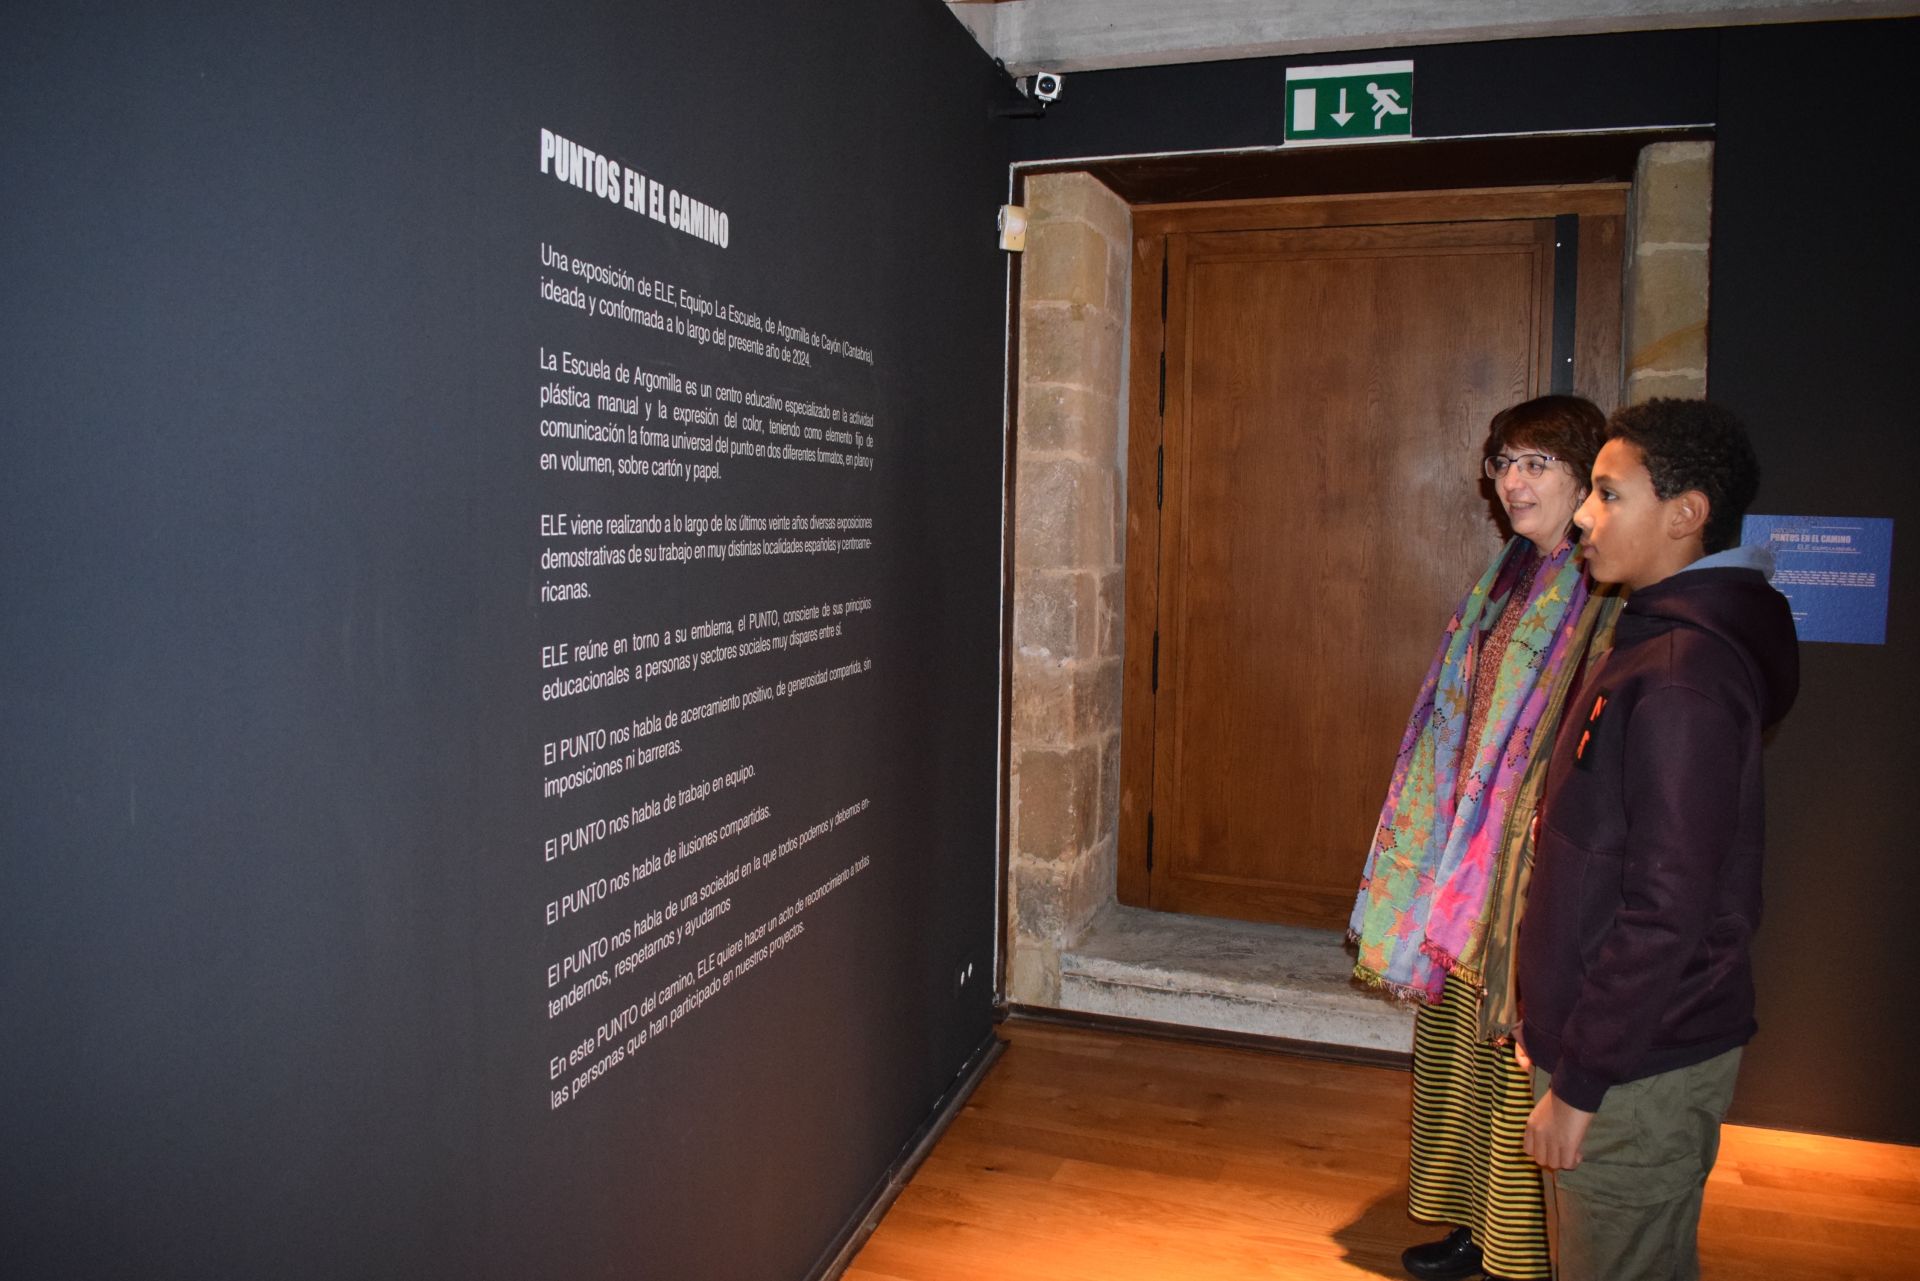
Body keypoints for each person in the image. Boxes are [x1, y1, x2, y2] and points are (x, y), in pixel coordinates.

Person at [1516, 399, 1797, 1280]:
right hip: (1616, 1050)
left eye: (1607, 493)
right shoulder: (1654, 639)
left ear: (1685, 513)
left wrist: (1583, 1079)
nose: (1584, 515)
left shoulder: (1681, 676)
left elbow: (1666, 911)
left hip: (1635, 1070)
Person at [1351, 395, 1624, 1281]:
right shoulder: (1510, 574)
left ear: (1587, 479)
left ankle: (1520, 1250)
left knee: (1513, 1061)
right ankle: (1472, 1224)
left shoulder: (1600, 595)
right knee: (1458, 1054)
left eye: (1537, 463)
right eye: (1505, 462)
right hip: (1459, 859)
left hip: (1522, 871)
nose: (1513, 481)